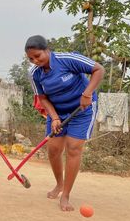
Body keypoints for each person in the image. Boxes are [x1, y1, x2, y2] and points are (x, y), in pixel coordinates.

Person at [26, 35, 104, 211]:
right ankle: (59, 184)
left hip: (82, 110)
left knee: (73, 148)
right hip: (57, 112)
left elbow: (99, 69)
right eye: (31, 58)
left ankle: (66, 195)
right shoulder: (34, 74)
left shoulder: (67, 59)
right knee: (53, 150)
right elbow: (42, 97)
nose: (35, 61)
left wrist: (87, 93)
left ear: (47, 50)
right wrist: (54, 117)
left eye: (38, 56)